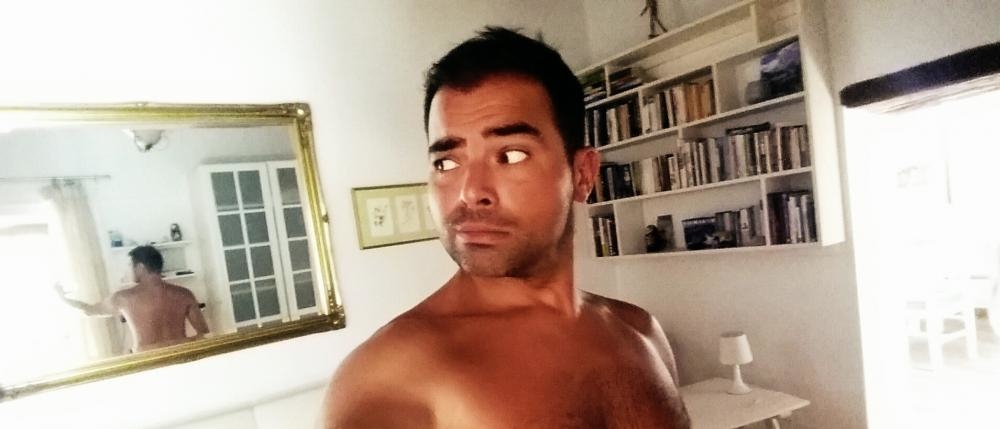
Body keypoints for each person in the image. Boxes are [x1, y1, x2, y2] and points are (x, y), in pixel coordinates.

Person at [324, 27, 691, 428]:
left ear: (582, 174)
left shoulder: (641, 331)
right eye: (446, 162)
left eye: (511, 155)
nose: (470, 192)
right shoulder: (390, 380)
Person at [56, 245, 209, 353]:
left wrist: (63, 299)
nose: (128, 270)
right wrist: (180, 344)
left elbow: (89, 311)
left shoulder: (124, 298)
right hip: (180, 357)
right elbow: (204, 334)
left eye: (130, 266)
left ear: (140, 267)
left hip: (147, 361)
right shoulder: (184, 294)